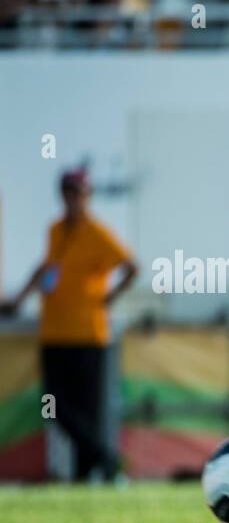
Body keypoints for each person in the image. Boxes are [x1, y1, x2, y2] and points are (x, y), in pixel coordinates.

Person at [1, 168, 137, 482]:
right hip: (54, 332)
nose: (72, 198)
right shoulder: (56, 230)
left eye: (78, 192)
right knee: (56, 407)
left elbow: (131, 267)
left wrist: (108, 298)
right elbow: (46, 268)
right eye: (67, 191)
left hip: (88, 334)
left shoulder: (98, 233)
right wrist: (19, 299)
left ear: (87, 197)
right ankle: (104, 460)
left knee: (86, 409)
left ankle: (89, 471)